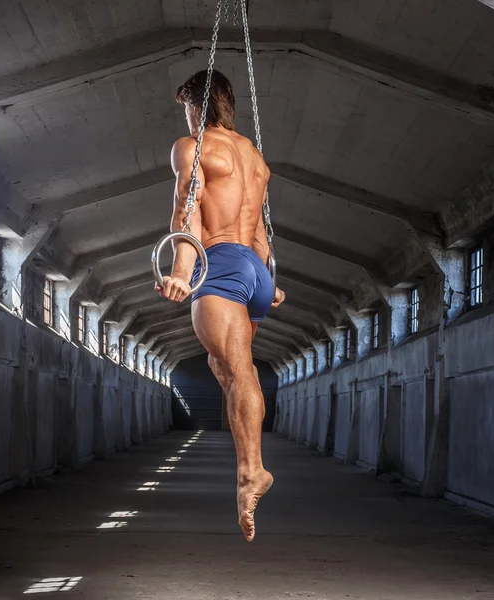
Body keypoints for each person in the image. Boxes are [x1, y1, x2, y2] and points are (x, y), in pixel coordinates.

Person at [155, 70, 286, 542]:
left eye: (186, 110)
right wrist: (270, 283)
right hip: (254, 267)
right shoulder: (255, 158)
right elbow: (259, 230)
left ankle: (253, 472)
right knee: (224, 367)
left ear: (196, 105)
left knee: (240, 369)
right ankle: (249, 468)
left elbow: (186, 210)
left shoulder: (192, 147)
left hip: (222, 264)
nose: (186, 119)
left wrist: (180, 270)